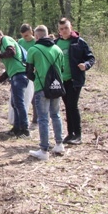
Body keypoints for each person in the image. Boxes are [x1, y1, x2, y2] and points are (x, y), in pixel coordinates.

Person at [26, 25, 66, 160]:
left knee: (43, 118)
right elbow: (62, 69)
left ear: (36, 36)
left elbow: (29, 73)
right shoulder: (58, 49)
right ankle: (59, 144)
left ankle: (44, 150)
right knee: (56, 115)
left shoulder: (33, 49)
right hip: (56, 87)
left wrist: (37, 78)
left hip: (41, 87)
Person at [55, 18, 95, 145]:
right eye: (61, 29)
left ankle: (78, 135)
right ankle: (70, 133)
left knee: (72, 105)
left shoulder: (79, 42)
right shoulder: (55, 43)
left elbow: (91, 57)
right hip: (61, 80)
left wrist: (86, 64)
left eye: (66, 28)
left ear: (70, 27)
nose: (64, 31)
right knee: (67, 106)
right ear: (58, 31)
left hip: (75, 79)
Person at [0, 29, 30, 138]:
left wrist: (0, 56)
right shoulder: (3, 47)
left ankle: (24, 129)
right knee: (14, 103)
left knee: (19, 102)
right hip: (14, 75)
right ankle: (16, 128)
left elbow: (11, 51)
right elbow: (9, 71)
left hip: (20, 75)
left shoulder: (6, 39)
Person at [18, 23, 38, 127]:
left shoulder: (36, 42)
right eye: (22, 36)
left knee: (34, 96)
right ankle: (22, 117)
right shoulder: (20, 42)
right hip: (22, 71)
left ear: (31, 32)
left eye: (26, 35)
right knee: (22, 95)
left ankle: (36, 118)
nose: (24, 38)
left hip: (34, 71)